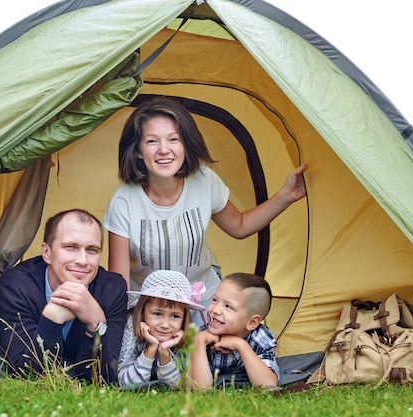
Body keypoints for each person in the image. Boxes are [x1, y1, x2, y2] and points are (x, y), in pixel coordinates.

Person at [103, 96, 306, 316]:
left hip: (204, 301)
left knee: (208, 349)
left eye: (173, 139)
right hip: (153, 312)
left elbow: (239, 226)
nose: (164, 149)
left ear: (186, 145)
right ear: (139, 151)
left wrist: (287, 195)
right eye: (152, 141)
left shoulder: (203, 179)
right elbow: (120, 285)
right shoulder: (124, 201)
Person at [0, 209, 127, 384]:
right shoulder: (16, 286)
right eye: (70, 247)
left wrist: (95, 325)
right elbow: (25, 372)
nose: (82, 260)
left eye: (92, 250)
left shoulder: (112, 289)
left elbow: (105, 378)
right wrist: (52, 320)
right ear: (47, 253)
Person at [188, 272, 279, 389]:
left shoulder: (260, 338)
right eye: (215, 300)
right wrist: (198, 342)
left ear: (251, 323)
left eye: (228, 306)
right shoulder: (203, 336)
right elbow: (200, 388)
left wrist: (241, 345)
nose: (215, 310)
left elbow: (268, 384)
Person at [118, 270, 205, 389]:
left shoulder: (183, 341)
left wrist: (164, 352)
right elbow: (128, 384)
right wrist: (150, 349)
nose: (165, 325)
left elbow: (177, 387)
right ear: (142, 312)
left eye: (175, 316)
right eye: (157, 314)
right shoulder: (133, 337)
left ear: (184, 318)